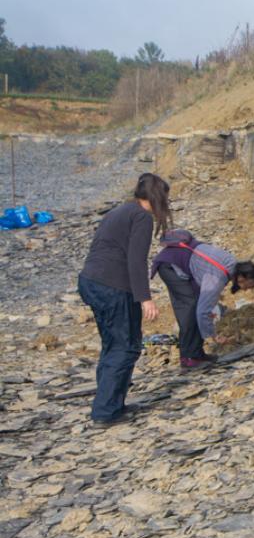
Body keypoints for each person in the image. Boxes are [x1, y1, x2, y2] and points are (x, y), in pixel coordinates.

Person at [77, 173, 172, 425]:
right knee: (126, 346)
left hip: (91, 281)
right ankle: (106, 412)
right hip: (113, 286)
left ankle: (111, 405)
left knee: (112, 345)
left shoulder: (119, 211)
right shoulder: (141, 216)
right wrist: (145, 298)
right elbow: (136, 260)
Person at [150, 229, 254, 369]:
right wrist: (213, 336)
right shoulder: (218, 278)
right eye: (248, 285)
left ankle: (197, 353)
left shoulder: (231, 263)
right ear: (241, 278)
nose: (245, 289)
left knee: (196, 304)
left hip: (179, 260)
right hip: (170, 266)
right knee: (190, 308)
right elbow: (202, 312)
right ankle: (188, 358)